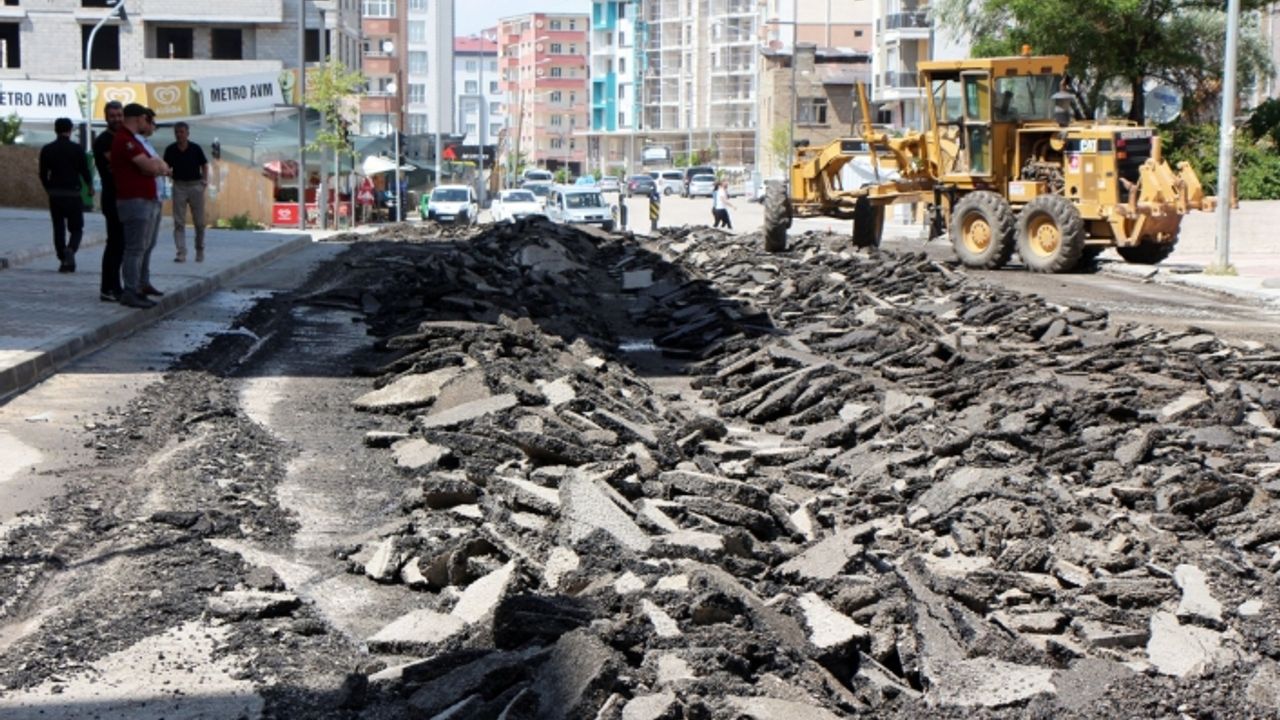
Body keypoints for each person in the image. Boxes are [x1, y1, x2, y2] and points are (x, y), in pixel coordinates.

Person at [111, 103, 170, 309]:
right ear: (138, 118)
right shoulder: (125, 140)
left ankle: (138, 286)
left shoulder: (136, 141)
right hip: (134, 200)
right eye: (146, 119)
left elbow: (156, 165)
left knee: (142, 247)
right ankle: (131, 290)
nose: (147, 124)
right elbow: (151, 166)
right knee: (135, 249)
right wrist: (154, 166)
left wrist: (155, 166)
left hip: (146, 198)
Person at [39, 117, 93, 273]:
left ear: (55, 130)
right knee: (76, 228)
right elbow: (84, 170)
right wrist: (89, 186)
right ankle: (71, 249)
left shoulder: (47, 149)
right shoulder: (77, 149)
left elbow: (43, 174)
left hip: (55, 194)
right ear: (70, 130)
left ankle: (63, 258)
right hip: (73, 194)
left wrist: (48, 188)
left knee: (58, 227)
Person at [163, 121, 209, 263]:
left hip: (195, 185)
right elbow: (165, 166)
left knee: (199, 222)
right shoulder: (170, 149)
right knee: (179, 221)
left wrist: (204, 181)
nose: (179, 135)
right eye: (177, 132)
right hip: (179, 186)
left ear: (187, 133)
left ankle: (199, 249)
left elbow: (204, 164)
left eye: (182, 132)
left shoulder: (195, 148)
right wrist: (168, 173)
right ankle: (181, 252)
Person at [94, 101, 125, 301]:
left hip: (123, 197)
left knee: (120, 244)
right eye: (112, 115)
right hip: (112, 197)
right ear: (106, 117)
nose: (116, 119)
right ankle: (108, 288)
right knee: (114, 243)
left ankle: (116, 286)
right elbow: (118, 163)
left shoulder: (122, 138)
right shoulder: (104, 140)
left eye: (119, 115)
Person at [135, 108, 168, 298]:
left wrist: (160, 166)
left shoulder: (147, 144)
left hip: (155, 197)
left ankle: (144, 281)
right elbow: (155, 166)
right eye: (151, 122)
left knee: (149, 244)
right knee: (140, 245)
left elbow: (160, 165)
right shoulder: (137, 143)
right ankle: (135, 285)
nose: (153, 126)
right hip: (144, 200)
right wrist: (160, 167)